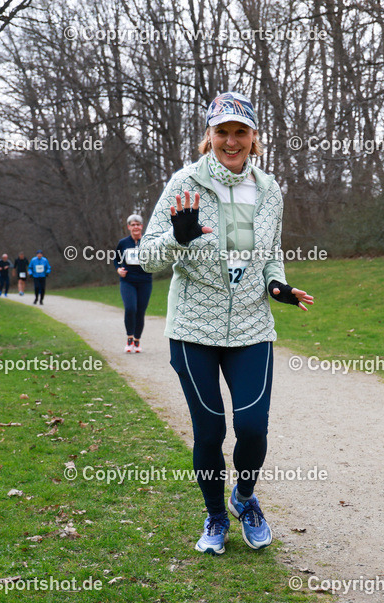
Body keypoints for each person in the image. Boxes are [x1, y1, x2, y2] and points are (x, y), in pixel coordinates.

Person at [139, 91, 313, 555]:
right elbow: (146, 259)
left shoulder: (270, 189)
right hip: (195, 328)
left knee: (253, 426)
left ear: (254, 138)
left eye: (241, 132)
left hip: (252, 327)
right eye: (223, 132)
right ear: (209, 136)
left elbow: (271, 251)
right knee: (211, 430)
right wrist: (178, 237)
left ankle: (245, 498)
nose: (231, 141)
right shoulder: (185, 184)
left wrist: (277, 285)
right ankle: (216, 516)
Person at [114, 214, 153, 353]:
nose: (135, 227)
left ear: (142, 226)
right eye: (133, 224)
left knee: (140, 311)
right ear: (129, 227)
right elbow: (116, 259)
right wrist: (118, 269)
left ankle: (137, 341)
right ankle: (129, 338)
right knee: (130, 308)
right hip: (128, 281)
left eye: (138, 224)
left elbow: (155, 259)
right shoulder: (123, 243)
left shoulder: (148, 242)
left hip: (145, 281)